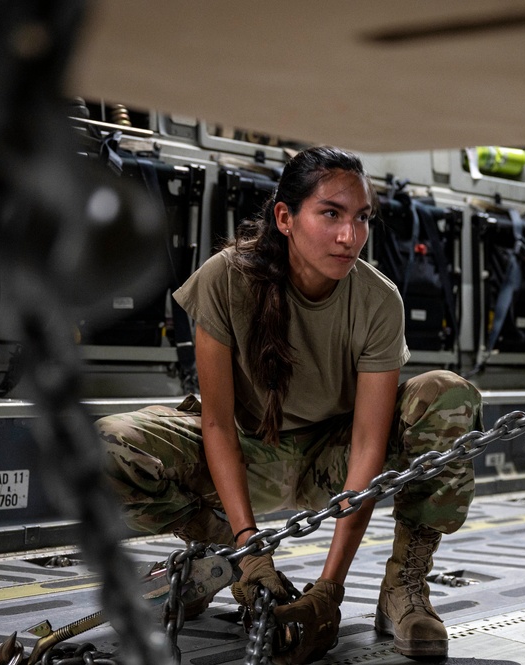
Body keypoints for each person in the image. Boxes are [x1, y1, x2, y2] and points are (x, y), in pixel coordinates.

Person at [96, 146, 483, 662]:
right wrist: (249, 548)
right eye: (331, 214)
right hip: (249, 452)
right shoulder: (226, 279)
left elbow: (369, 441)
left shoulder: (378, 300)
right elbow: (216, 423)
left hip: (333, 457)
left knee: (447, 395)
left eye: (362, 218)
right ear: (285, 217)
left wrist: (329, 591)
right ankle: (224, 556)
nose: (350, 237)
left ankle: (403, 587)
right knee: (102, 449)